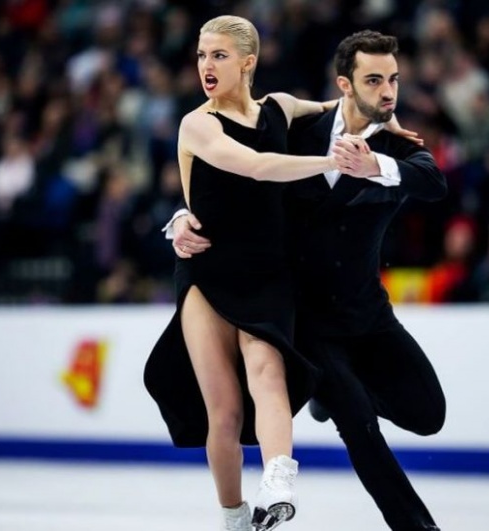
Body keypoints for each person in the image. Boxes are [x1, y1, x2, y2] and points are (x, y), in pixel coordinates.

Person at [170, 30, 448, 531]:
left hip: (366, 312)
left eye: (394, 81)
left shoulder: (399, 149)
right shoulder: (300, 130)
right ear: (346, 84)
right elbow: (242, 176)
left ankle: (322, 392)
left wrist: (374, 163)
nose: (387, 91)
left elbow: (433, 182)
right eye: (374, 80)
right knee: (359, 426)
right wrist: (184, 215)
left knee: (429, 414)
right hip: (306, 317)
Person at [142, 15, 377, 531]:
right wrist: (330, 163)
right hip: (208, 272)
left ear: (248, 61)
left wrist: (384, 120)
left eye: (219, 55)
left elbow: (341, 113)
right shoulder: (197, 123)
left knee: (268, 371)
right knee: (223, 410)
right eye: (202, 55)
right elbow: (254, 165)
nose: (207, 65)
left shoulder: (282, 108)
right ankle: (234, 516)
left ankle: (278, 478)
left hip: (269, 270)